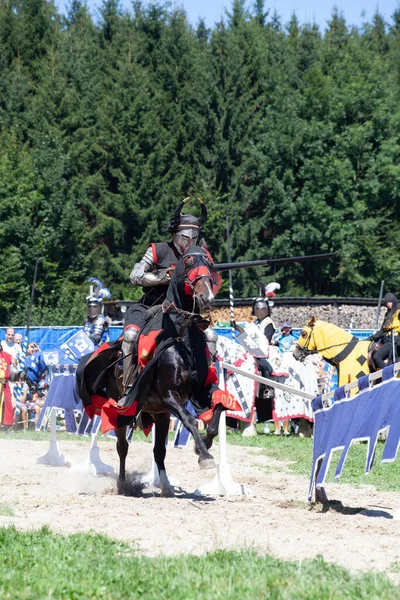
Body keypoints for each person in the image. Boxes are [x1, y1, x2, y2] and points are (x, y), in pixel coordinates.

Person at [122, 197, 209, 391]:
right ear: (176, 234)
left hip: (181, 312)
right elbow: (135, 276)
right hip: (150, 306)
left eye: (194, 239)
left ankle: (205, 384)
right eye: (185, 237)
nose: (189, 242)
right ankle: (127, 386)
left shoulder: (197, 256)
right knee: (130, 335)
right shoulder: (159, 249)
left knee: (211, 336)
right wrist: (165, 277)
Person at [369, 293, 400, 369]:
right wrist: (370, 338)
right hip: (385, 339)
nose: (388, 304)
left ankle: (387, 375)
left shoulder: (399, 311)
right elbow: (382, 330)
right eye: (386, 303)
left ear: (394, 301)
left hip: (395, 340)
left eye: (390, 302)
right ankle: (386, 374)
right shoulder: (388, 314)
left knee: (377, 357)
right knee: (373, 356)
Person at [83, 278, 111, 347]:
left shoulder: (100, 320)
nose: (91, 309)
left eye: (94, 307)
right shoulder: (88, 319)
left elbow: (96, 338)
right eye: (89, 306)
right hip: (88, 347)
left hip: (98, 349)